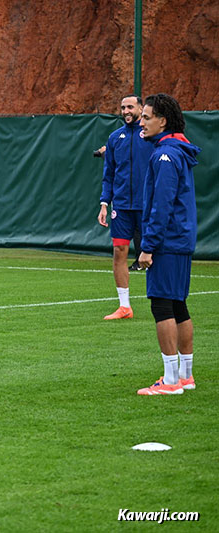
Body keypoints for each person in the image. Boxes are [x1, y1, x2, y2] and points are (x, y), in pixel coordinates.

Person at [136, 94, 200, 395]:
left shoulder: (166, 155)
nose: (141, 121)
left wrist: (148, 246)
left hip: (168, 241)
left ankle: (171, 380)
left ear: (163, 121)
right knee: (178, 304)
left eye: (146, 117)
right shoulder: (176, 150)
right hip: (180, 240)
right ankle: (185, 375)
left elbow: (162, 205)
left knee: (162, 305)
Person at [97, 95, 154, 320]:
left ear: (141, 108)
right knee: (119, 251)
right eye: (122, 108)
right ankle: (124, 307)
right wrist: (104, 203)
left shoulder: (151, 136)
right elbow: (108, 174)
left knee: (153, 253)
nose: (126, 111)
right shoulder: (115, 138)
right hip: (120, 206)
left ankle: (162, 301)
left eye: (130, 107)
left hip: (147, 205)